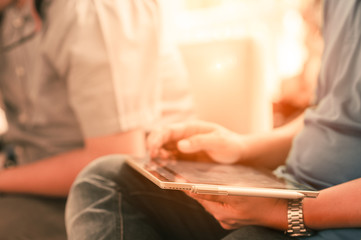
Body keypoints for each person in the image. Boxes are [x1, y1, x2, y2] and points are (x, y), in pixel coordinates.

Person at [65, 1, 361, 240]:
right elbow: (330, 114)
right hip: (293, 186)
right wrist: (242, 147)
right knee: (105, 181)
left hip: (338, 213)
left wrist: (283, 213)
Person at [0, 0, 192, 239]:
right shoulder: (12, 13)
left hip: (116, 196)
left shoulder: (94, 9)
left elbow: (113, 159)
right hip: (39, 176)